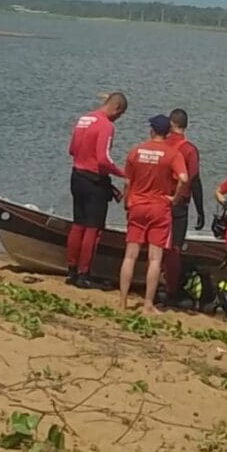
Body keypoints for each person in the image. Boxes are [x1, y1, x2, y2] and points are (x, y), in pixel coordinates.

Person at [119, 114, 188, 315]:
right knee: (155, 258)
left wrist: (127, 203)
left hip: (137, 205)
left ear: (151, 130)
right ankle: (148, 304)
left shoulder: (136, 151)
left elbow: (126, 182)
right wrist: (175, 198)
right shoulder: (173, 153)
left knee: (130, 255)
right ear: (167, 133)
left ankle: (122, 301)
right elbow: (183, 178)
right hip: (159, 207)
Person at [66, 91, 127, 289]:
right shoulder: (106, 126)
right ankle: (84, 274)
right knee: (93, 228)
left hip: (77, 176)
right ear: (117, 108)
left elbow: (72, 149)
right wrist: (122, 173)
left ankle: (71, 271)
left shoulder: (84, 119)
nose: (118, 119)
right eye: (120, 115)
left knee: (78, 224)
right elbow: (103, 158)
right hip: (94, 182)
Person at [162, 107, 205, 304]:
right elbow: (194, 180)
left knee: (157, 244)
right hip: (179, 203)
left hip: (158, 200)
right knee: (175, 248)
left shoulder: (159, 143)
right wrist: (201, 211)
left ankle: (154, 283)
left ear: (171, 124)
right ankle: (172, 290)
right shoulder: (188, 149)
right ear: (186, 125)